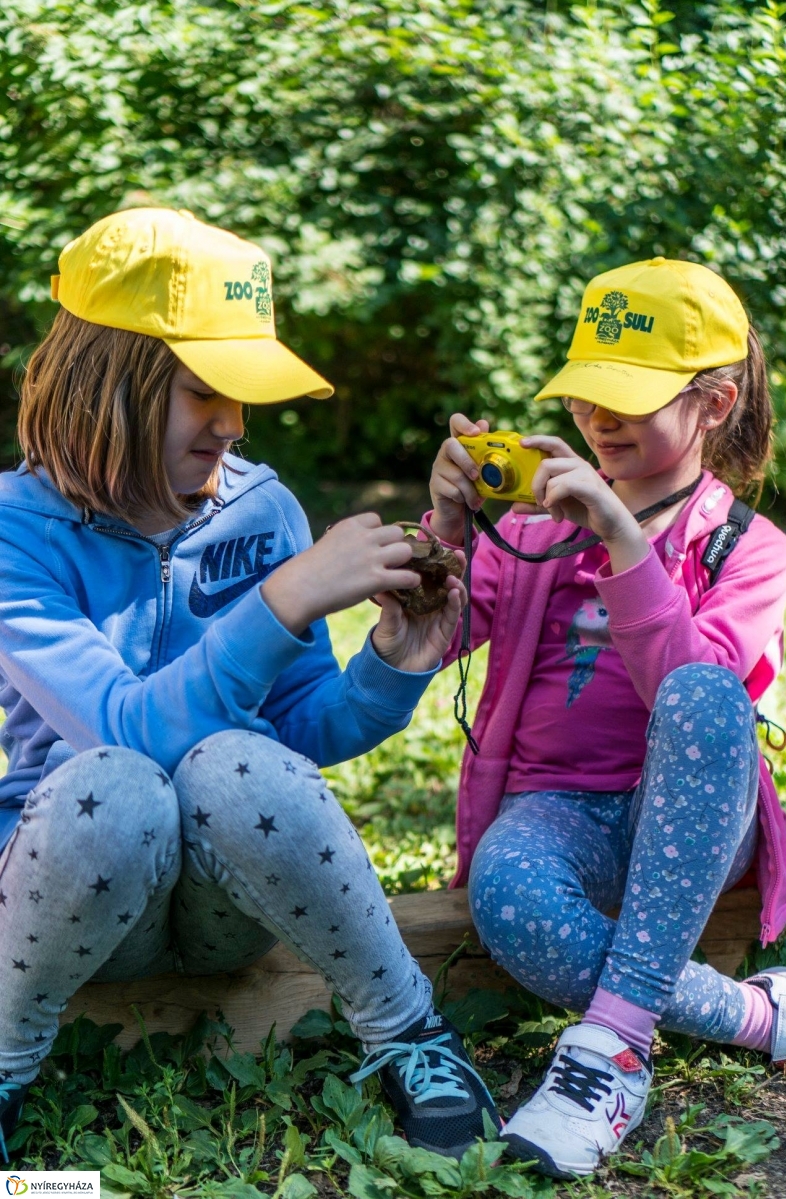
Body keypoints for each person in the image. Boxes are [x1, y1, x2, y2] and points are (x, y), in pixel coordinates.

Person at [0, 207, 501, 1163]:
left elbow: (300, 733)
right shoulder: (16, 529)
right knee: (118, 779)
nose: (232, 425)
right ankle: (5, 1062)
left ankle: (408, 1034)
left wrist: (396, 658)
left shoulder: (262, 506)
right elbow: (122, 728)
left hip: (233, 907)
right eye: (206, 393)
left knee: (238, 758)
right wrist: (282, 598)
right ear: (110, 381)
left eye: (244, 398)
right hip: (73, 896)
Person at [428, 257, 786, 1179]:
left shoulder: (748, 547)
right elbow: (433, 640)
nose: (596, 418)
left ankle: (611, 1051)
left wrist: (623, 539)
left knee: (709, 694)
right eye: (586, 392)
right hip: (558, 808)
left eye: (628, 396)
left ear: (712, 404)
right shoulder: (534, 525)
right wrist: (447, 528)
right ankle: (754, 1015)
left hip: (683, 821)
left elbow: (699, 695)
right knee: (508, 893)